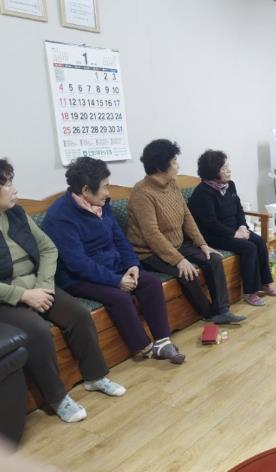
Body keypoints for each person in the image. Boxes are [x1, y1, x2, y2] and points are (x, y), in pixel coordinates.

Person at [0, 159, 124, 423]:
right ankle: (57, 397)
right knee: (38, 331)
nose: (14, 189)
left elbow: (48, 248)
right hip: (7, 297)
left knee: (79, 315)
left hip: (38, 285)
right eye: (7, 184)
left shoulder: (17, 213)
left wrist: (43, 286)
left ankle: (95, 376)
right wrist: (23, 295)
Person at [42, 157, 185, 364]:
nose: (108, 193)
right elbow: (77, 262)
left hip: (113, 266)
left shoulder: (102, 204)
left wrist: (132, 265)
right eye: (105, 187)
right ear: (85, 190)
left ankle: (163, 342)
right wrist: (116, 280)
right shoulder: (60, 216)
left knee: (151, 282)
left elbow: (120, 239)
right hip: (77, 278)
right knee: (120, 297)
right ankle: (143, 347)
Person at [126, 139, 245, 325]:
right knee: (186, 271)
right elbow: (152, 234)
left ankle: (222, 310)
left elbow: (187, 216)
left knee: (213, 258)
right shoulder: (142, 193)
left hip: (178, 243)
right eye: (174, 161)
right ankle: (207, 313)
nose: (178, 166)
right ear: (160, 167)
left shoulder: (171, 183)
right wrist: (179, 260)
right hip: (149, 252)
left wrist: (202, 244)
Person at [188, 150, 276, 306]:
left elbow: (239, 210)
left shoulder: (230, 185)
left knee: (259, 242)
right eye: (224, 168)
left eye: (228, 167)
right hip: (214, 235)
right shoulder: (202, 193)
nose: (229, 171)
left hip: (235, 229)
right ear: (213, 172)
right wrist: (234, 234)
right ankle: (250, 292)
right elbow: (210, 223)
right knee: (249, 248)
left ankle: (265, 283)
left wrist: (243, 226)